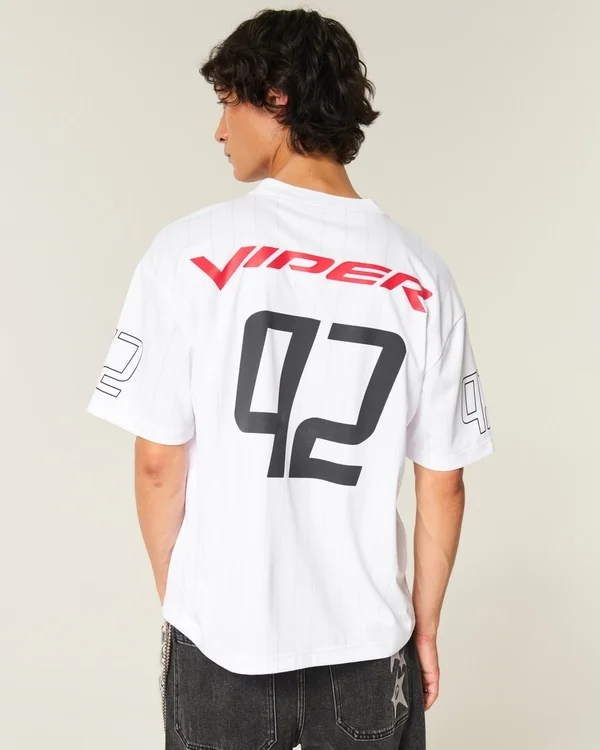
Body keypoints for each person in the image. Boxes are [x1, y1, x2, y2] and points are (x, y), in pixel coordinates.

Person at [87, 8, 494, 749]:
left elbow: (157, 464)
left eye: (227, 103)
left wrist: (185, 602)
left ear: (275, 98)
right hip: (368, 642)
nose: (219, 131)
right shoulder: (423, 275)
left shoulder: (187, 251)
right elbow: (444, 483)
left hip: (224, 638)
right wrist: (425, 628)